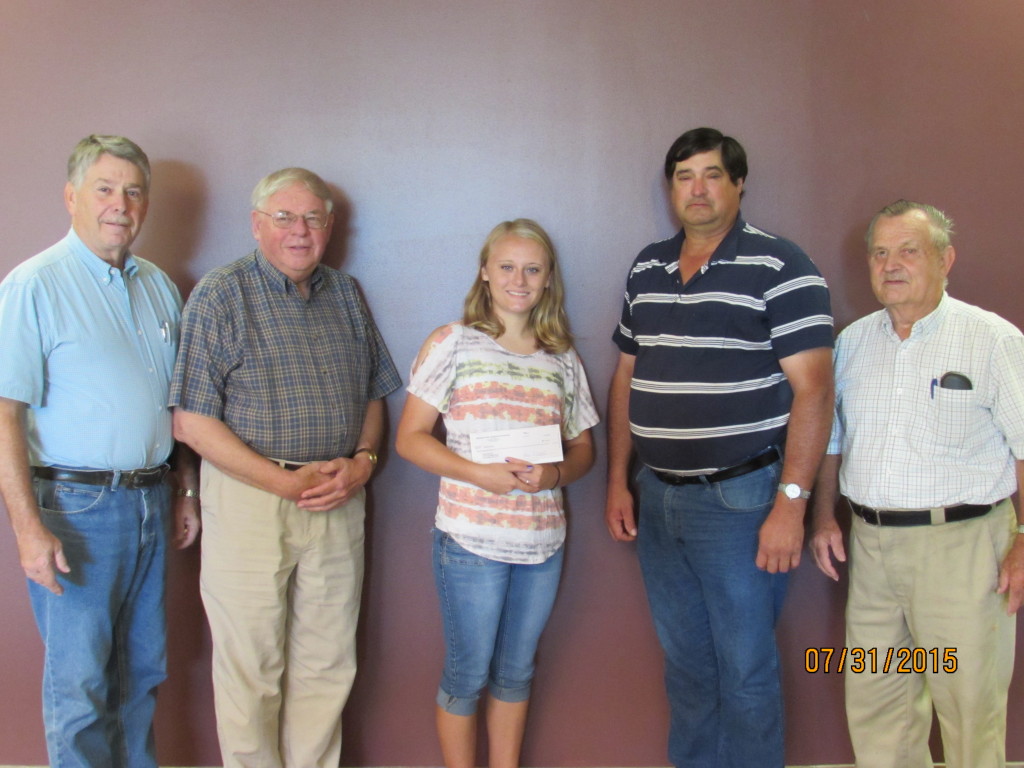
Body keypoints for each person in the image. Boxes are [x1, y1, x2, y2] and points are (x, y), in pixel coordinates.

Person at [604, 127, 834, 767]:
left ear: (738, 184)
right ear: (671, 188)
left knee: (746, 669)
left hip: (742, 502)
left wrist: (792, 503)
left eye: (712, 175)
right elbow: (626, 377)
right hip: (657, 499)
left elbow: (815, 391)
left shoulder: (781, 266)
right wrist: (618, 480)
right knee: (686, 668)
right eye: (685, 176)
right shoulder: (647, 267)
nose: (698, 189)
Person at [170, 167, 400, 768]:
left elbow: (374, 393)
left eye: (313, 218)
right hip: (251, 499)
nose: (300, 231)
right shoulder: (221, 294)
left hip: (338, 498)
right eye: (284, 217)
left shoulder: (345, 293)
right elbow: (191, 423)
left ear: (329, 226)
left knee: (327, 665)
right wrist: (282, 481)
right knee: (251, 667)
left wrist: (364, 462)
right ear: (257, 224)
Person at [0, 134, 200, 767]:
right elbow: (4, 416)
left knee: (142, 673)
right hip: (74, 508)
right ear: (72, 197)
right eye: (105, 189)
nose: (121, 204)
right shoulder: (34, 285)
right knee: (81, 684)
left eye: (133, 192)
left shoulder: (159, 287)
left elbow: (175, 405)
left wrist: (184, 488)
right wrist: (27, 529)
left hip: (151, 502)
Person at [810, 199, 1024, 768]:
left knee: (969, 708)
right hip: (873, 551)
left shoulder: (991, 340)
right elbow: (833, 440)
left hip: (963, 550)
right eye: (880, 253)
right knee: (880, 707)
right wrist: (824, 516)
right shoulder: (852, 343)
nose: (891, 265)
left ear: (944, 259)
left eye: (908, 250)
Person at [395, 219, 598, 768]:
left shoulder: (562, 357)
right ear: (485, 271)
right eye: (506, 266)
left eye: (532, 269)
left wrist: (554, 476)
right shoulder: (453, 342)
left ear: (548, 278)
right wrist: (475, 472)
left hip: (542, 544)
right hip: (469, 543)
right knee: (467, 675)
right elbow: (410, 438)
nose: (518, 280)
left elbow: (584, 450)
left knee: (516, 673)